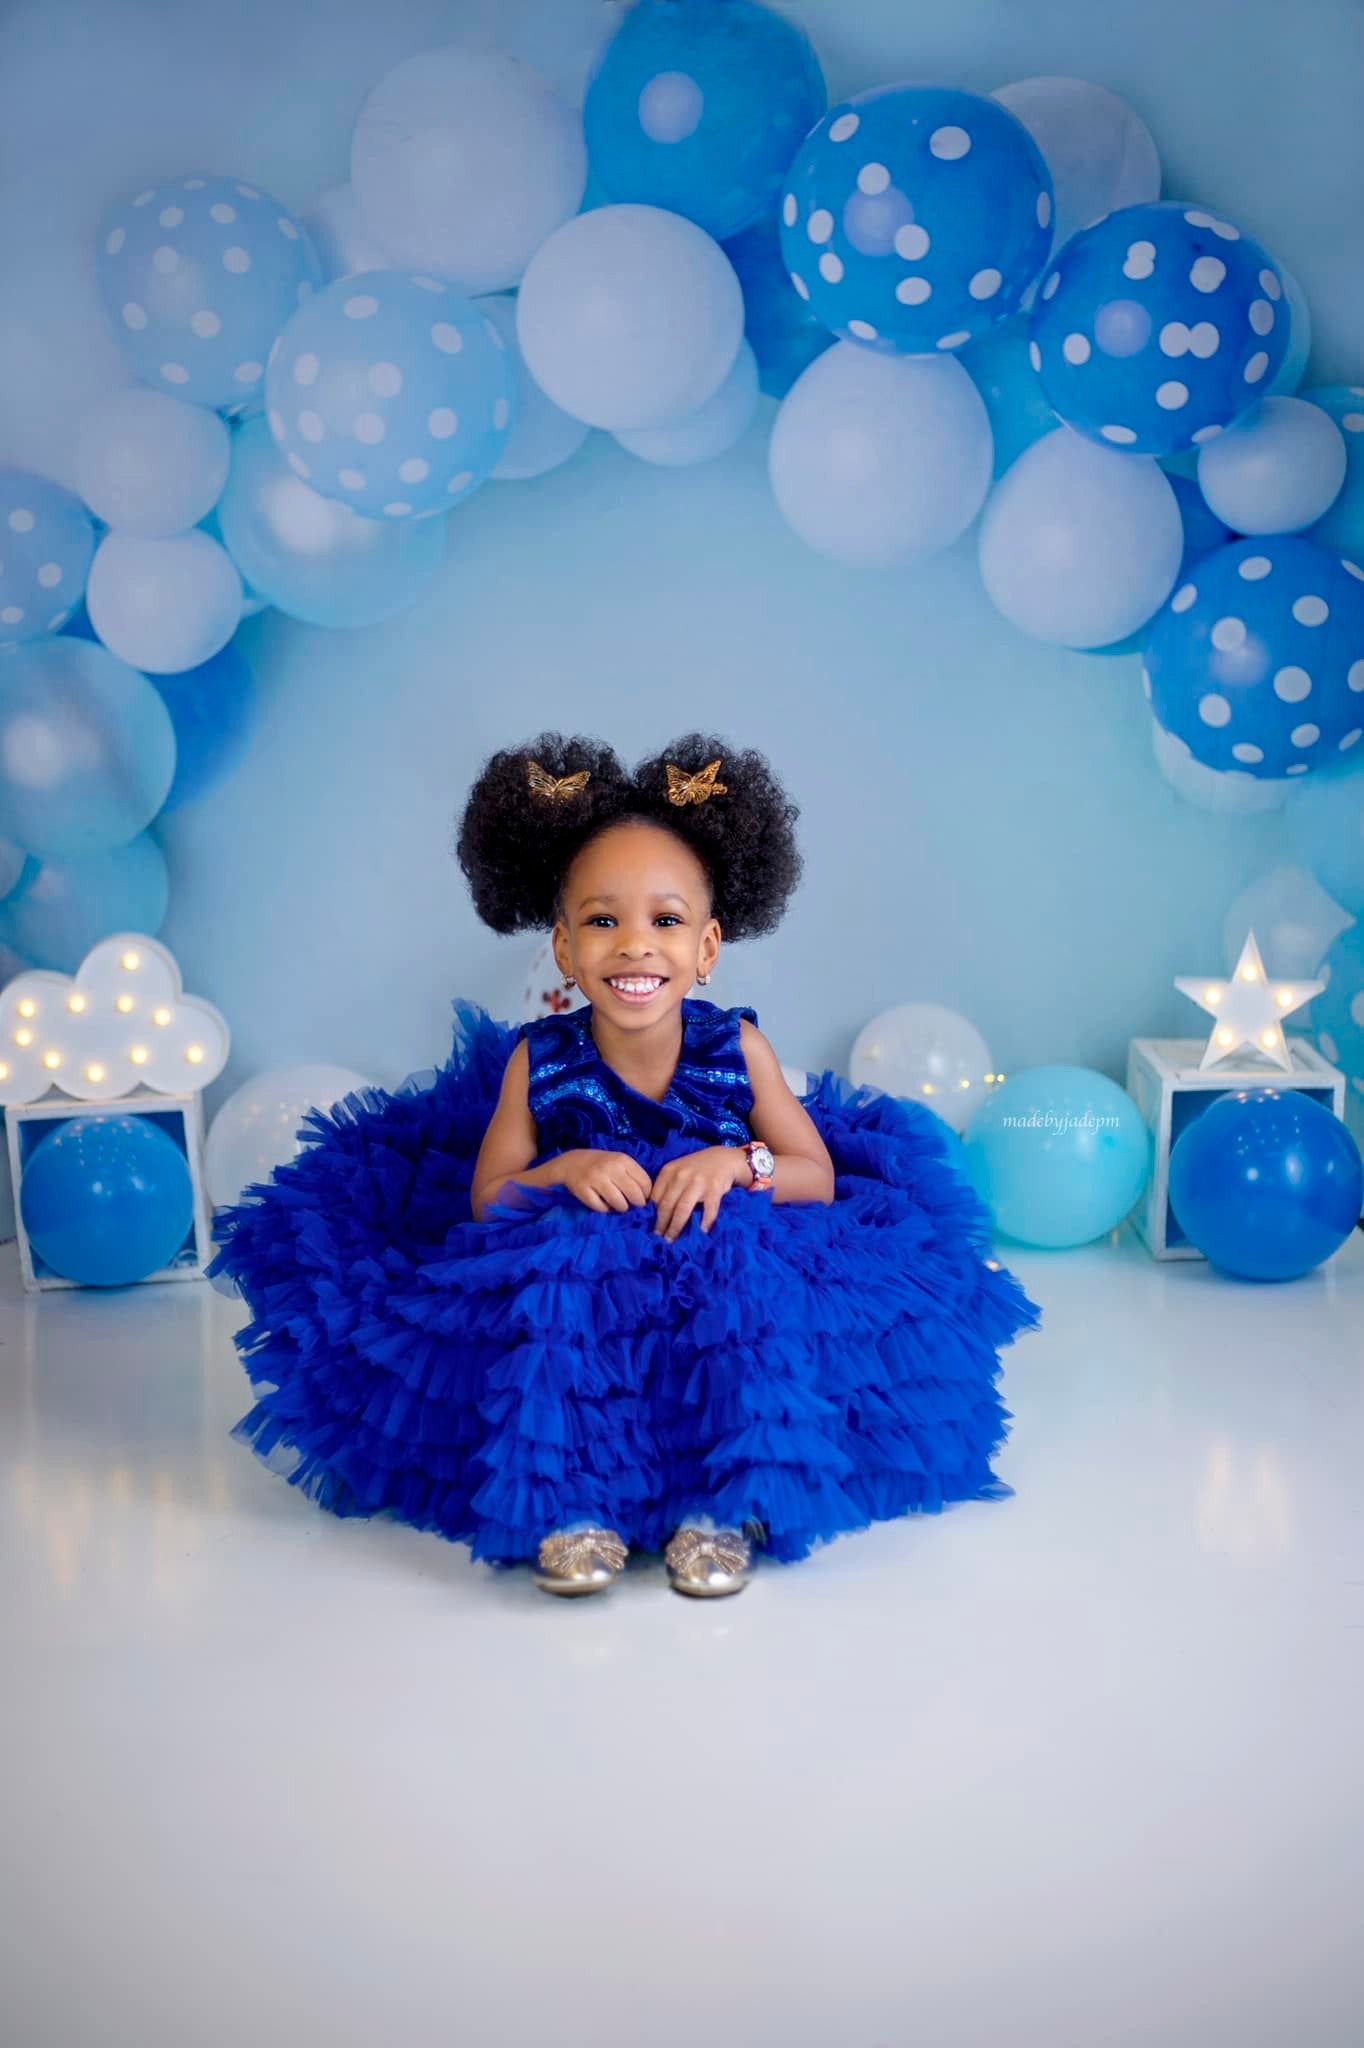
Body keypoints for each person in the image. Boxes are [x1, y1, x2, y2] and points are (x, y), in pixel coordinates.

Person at [209, 731, 1040, 1599]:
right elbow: (490, 1199)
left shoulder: (735, 1046)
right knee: (568, 1261)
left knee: (734, 1260)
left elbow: (816, 1174)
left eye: (666, 921)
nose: (635, 946)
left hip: (712, 1243)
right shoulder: (541, 1061)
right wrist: (562, 1173)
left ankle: (719, 1499)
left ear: (708, 948)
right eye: (603, 920)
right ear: (565, 948)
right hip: (595, 1266)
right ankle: (574, 1498)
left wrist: (735, 1162)